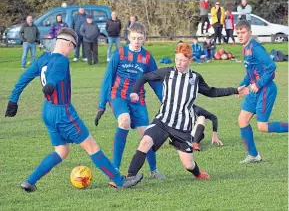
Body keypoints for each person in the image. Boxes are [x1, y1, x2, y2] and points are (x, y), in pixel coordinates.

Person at [4, 28, 143, 192]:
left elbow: (24, 78)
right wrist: (51, 84)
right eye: (73, 47)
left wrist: (13, 100)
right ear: (69, 44)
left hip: (47, 111)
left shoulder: (44, 59)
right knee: (92, 147)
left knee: (62, 151)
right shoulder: (62, 60)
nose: (72, 51)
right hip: (63, 113)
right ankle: (120, 181)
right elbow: (57, 74)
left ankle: (30, 181)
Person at [125, 43, 249, 185]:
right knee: (145, 141)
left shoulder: (195, 78)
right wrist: (134, 91)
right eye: (177, 59)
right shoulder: (167, 73)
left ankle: (198, 174)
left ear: (190, 60)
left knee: (189, 165)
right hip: (163, 120)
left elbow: (212, 92)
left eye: (183, 60)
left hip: (182, 127)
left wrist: (235, 90)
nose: (179, 63)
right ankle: (130, 177)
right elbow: (144, 77)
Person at [95, 22, 166, 187]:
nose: (136, 41)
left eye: (140, 38)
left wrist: (166, 101)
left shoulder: (147, 57)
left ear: (144, 39)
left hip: (138, 99)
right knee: (124, 121)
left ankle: (154, 170)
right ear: (128, 37)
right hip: (118, 96)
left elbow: (155, 81)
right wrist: (101, 105)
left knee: (147, 134)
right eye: (133, 38)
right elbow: (108, 78)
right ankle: (115, 169)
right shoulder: (119, 53)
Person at [236, 20, 288, 163]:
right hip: (255, 89)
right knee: (242, 120)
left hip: (265, 89)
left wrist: (258, 85)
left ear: (250, 33)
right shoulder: (245, 49)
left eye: (243, 32)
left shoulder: (255, 48)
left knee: (262, 127)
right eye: (238, 33)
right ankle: (253, 155)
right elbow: (250, 72)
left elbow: (271, 67)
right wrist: (241, 85)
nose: (240, 35)